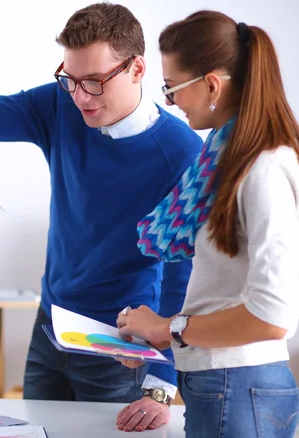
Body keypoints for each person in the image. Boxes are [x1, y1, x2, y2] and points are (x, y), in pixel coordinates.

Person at [0, 3, 203, 432]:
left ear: (136, 69)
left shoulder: (181, 153)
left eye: (94, 82)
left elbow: (180, 275)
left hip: (119, 345)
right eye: (70, 80)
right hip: (50, 328)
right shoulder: (62, 105)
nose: (80, 97)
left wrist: (160, 385)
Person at [116, 10, 299, 438]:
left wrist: (168, 327)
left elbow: (272, 314)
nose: (169, 101)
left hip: (237, 386)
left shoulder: (264, 166)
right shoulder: (226, 160)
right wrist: (161, 336)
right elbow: (225, 293)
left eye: (171, 87)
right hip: (225, 385)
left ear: (212, 84)